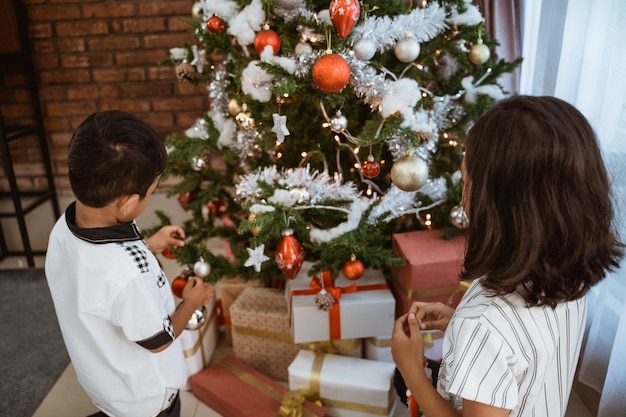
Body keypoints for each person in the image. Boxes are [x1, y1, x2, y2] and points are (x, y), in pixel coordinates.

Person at [391, 95, 624, 417]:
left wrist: (411, 373)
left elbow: (494, 335)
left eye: (466, 182)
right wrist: (459, 324)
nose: (464, 192)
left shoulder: (484, 324)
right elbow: (525, 354)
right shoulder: (569, 273)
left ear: (494, 207)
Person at [45, 110, 214, 417]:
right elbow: (159, 339)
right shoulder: (128, 277)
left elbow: (98, 277)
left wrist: (147, 246)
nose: (150, 196)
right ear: (126, 202)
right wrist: (191, 302)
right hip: (147, 399)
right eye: (150, 192)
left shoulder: (64, 228)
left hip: (105, 381)